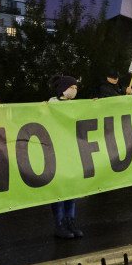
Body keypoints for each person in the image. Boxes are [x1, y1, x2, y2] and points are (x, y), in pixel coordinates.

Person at [49, 75, 83, 239]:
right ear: (63, 88)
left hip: (72, 154)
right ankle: (59, 224)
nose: (74, 90)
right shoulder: (51, 104)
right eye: (72, 87)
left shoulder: (76, 105)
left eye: (76, 88)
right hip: (56, 154)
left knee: (71, 192)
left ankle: (70, 221)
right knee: (58, 192)